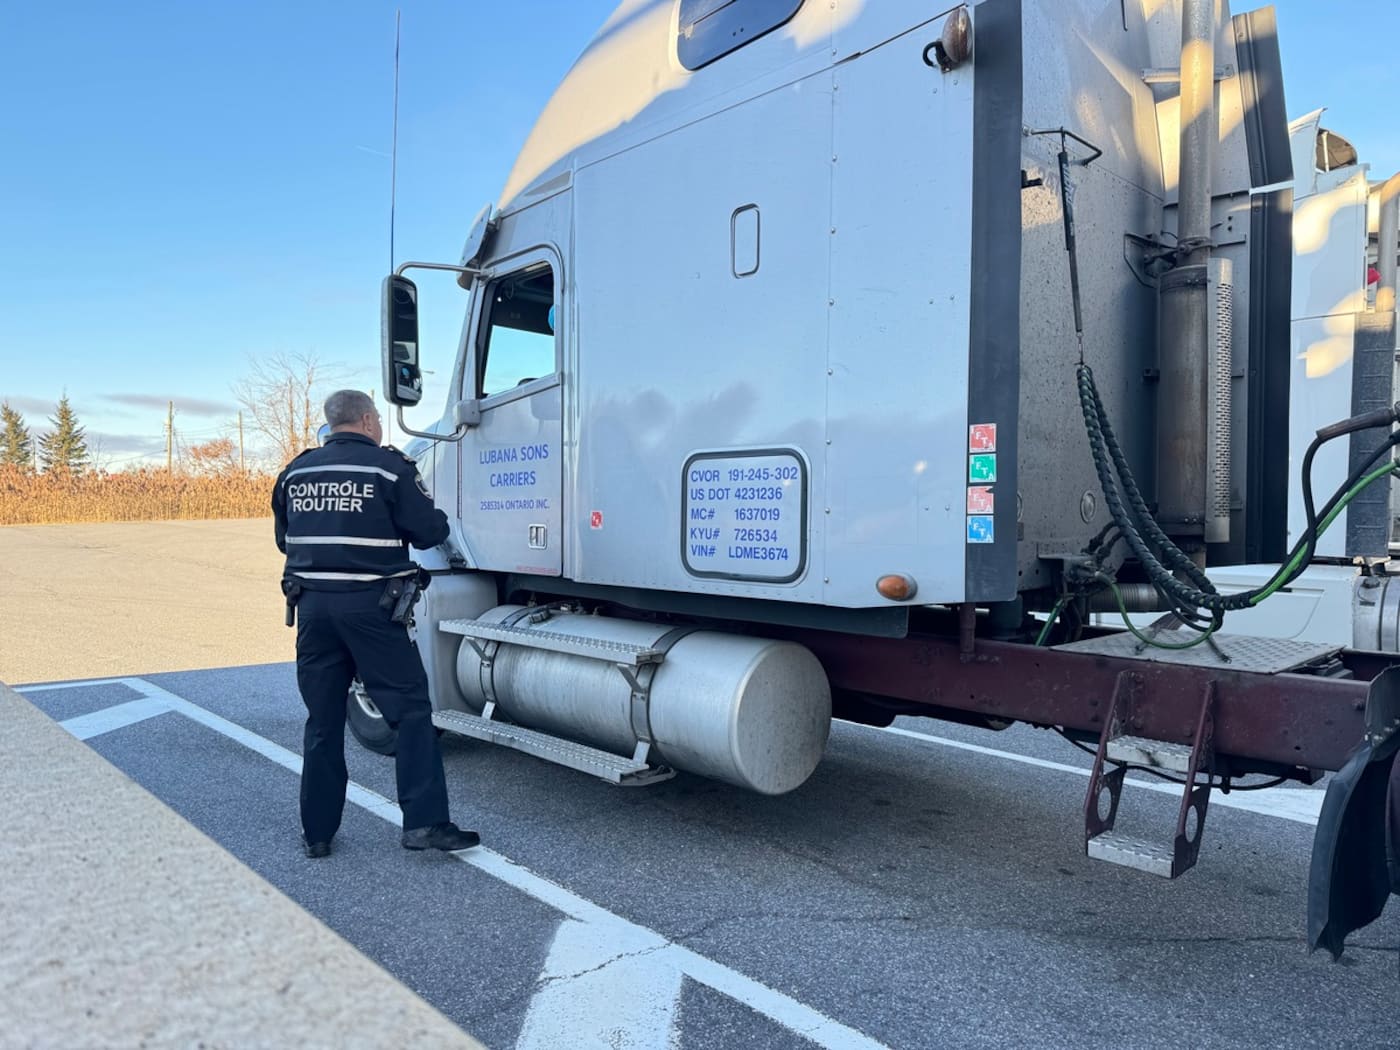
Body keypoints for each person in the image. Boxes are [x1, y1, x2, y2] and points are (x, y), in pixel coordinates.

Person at [272, 389, 479, 858]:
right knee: (409, 713)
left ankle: (317, 834)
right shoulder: (388, 469)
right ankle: (424, 825)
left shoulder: (295, 473)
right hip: (372, 610)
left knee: (323, 722)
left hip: (313, 613)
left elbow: (286, 541)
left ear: (332, 423)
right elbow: (430, 531)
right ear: (368, 421)